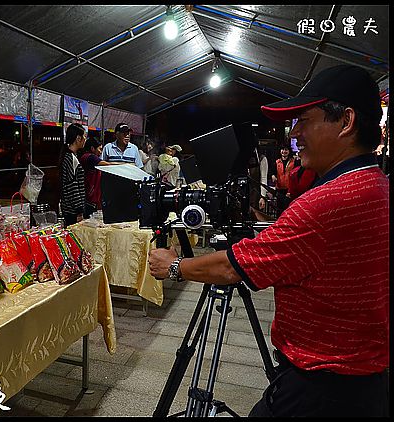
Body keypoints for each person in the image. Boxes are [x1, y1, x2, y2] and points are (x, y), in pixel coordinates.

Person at [148, 65, 389, 417]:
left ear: (346, 121)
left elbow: (233, 268)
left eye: (305, 120)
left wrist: (173, 266)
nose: (295, 133)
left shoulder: (324, 204)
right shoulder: (378, 187)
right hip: (368, 384)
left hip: (318, 390)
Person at [79, 137, 116, 218]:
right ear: (92, 148)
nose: (101, 152)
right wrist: (124, 165)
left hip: (89, 196)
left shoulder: (85, 157)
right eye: (99, 149)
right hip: (89, 197)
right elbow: (108, 164)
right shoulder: (90, 157)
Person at [59, 123, 86, 226]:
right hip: (72, 211)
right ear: (78, 138)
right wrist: (79, 210)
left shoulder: (69, 156)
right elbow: (72, 187)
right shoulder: (70, 158)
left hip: (69, 209)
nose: (85, 139)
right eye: (84, 136)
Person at [269, 144, 295, 215]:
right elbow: (272, 171)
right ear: (280, 151)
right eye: (282, 150)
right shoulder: (277, 161)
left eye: (286, 150)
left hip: (289, 189)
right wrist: (273, 175)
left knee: (288, 208)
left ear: (289, 151)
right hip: (279, 188)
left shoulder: (294, 161)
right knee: (279, 208)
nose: (284, 151)